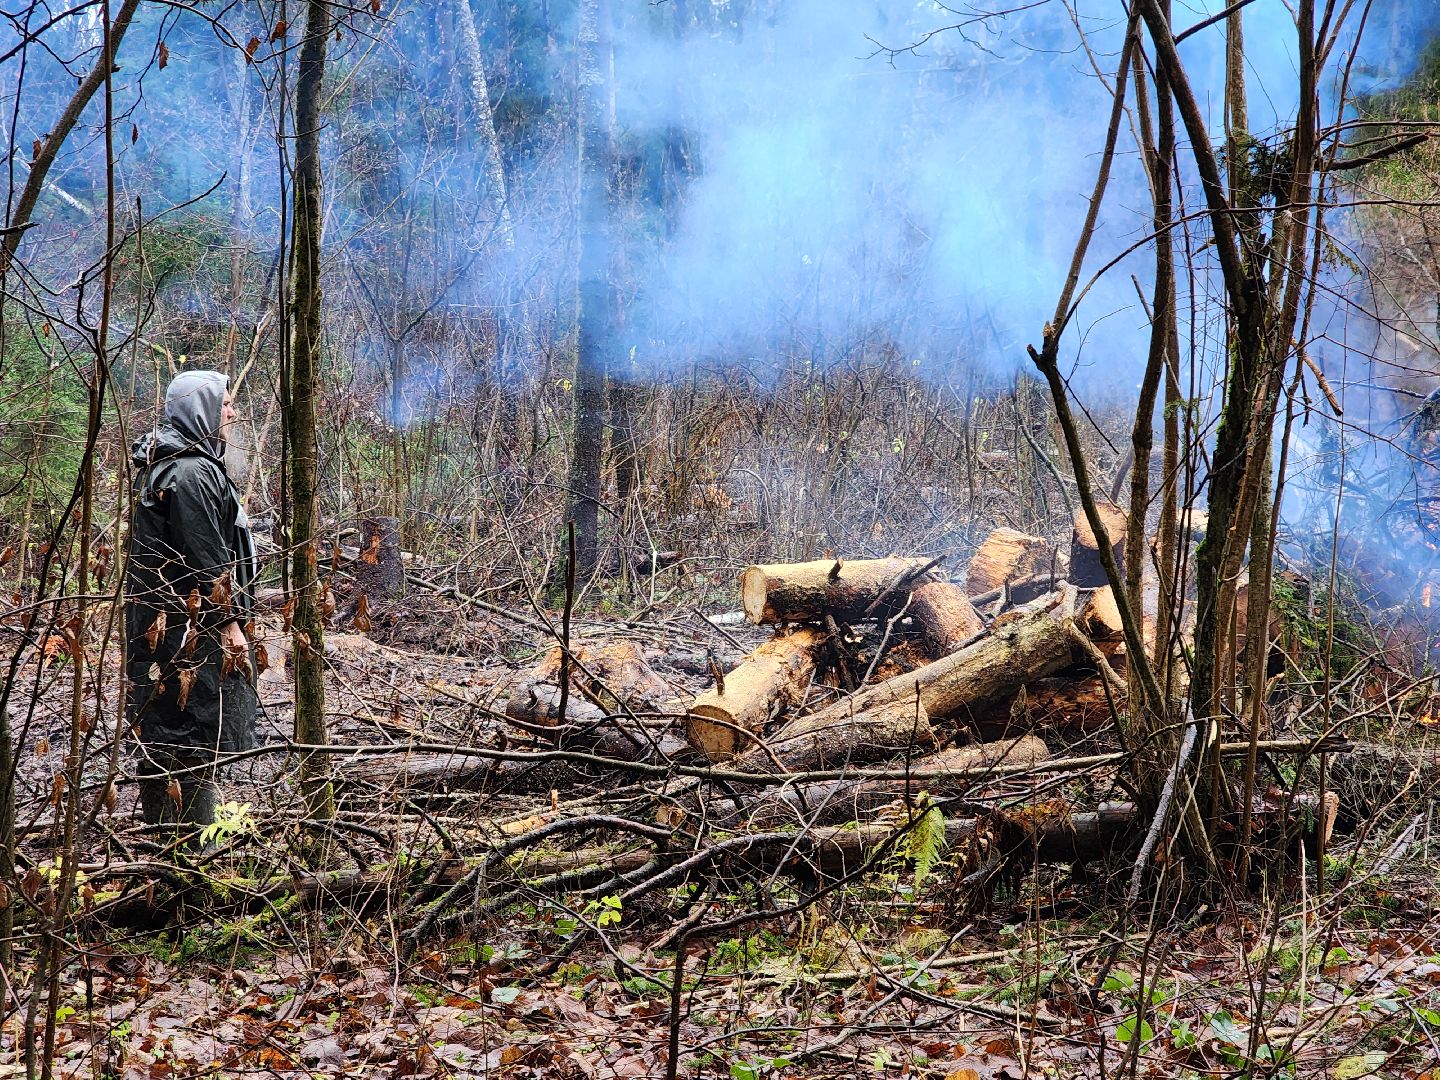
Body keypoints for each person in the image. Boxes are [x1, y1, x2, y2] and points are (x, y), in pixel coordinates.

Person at [125, 369, 258, 830]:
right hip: (187, 632)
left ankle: (182, 852)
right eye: (225, 403)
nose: (233, 412)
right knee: (185, 736)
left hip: (177, 628)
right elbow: (205, 557)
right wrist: (230, 624)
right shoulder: (190, 471)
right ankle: (186, 863)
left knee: (177, 733)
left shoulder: (180, 464)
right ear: (199, 410)